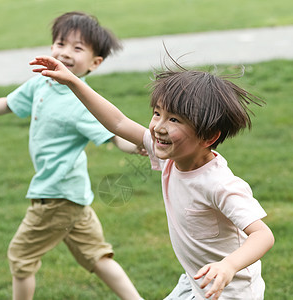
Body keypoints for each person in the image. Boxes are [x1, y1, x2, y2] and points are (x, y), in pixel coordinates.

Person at [29, 53, 275, 299]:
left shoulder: (220, 184)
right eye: (158, 113)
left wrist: (228, 266)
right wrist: (73, 81)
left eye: (174, 119)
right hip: (196, 279)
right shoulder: (171, 155)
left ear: (208, 137)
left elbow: (263, 235)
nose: (159, 127)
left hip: (231, 291)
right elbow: (117, 122)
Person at [0, 11, 143, 300]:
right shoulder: (40, 84)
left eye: (78, 48)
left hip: (56, 196)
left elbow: (114, 133)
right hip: (72, 196)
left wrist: (137, 145)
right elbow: (9, 102)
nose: (66, 53)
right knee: (97, 257)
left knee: (20, 257)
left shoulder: (81, 102)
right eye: (60, 43)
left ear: (95, 63)